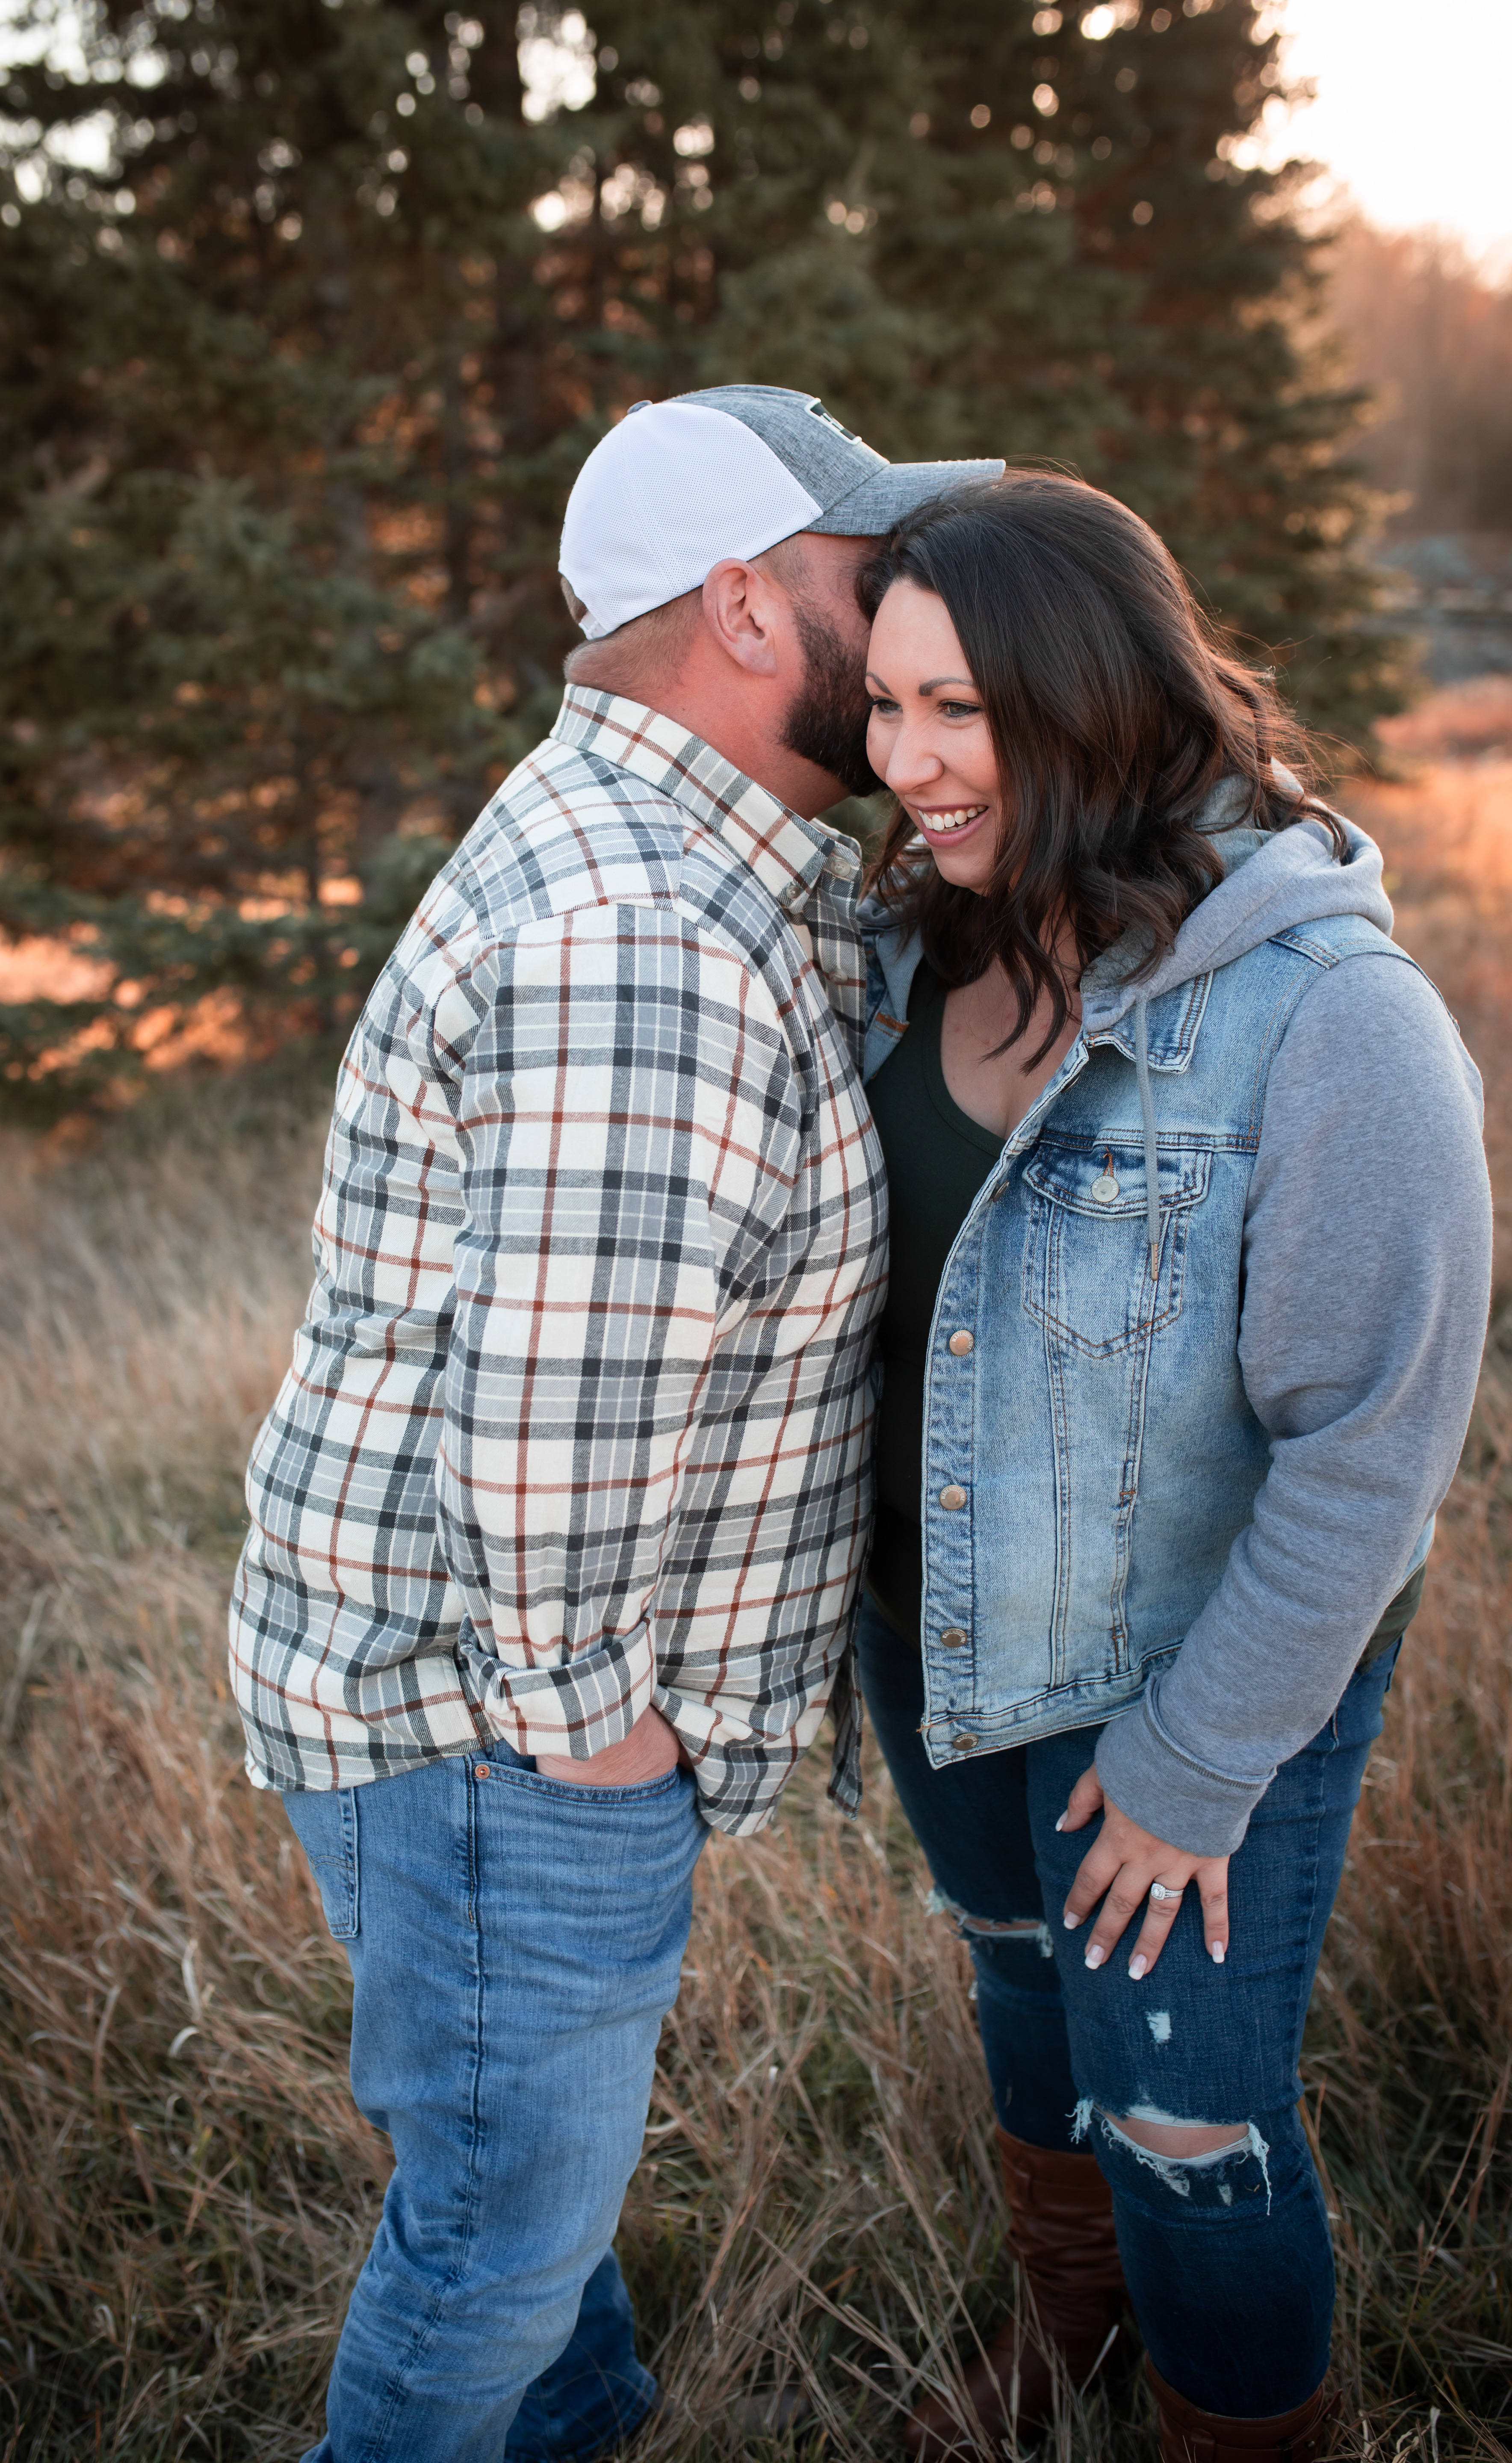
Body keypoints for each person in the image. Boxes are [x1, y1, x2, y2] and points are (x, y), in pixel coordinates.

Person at [227, 386, 1000, 2463]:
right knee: (490, 2247)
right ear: (749, 610)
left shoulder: (696, 856)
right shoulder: (645, 931)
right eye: (871, 578)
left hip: (489, 1721)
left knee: (519, 2216)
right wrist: (598, 1744)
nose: (919, 612)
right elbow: (558, 1427)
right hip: (503, 1744)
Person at [853, 473, 1491, 2459]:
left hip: (1187, 1672)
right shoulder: (910, 952)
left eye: (959, 708)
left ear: (1092, 693)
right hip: (936, 1625)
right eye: (884, 708)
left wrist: (1201, 1761)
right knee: (1028, 2001)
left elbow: (1370, 1452)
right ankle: (1074, 2346)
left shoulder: (1326, 1016)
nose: (910, 763)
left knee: (1185, 2112)